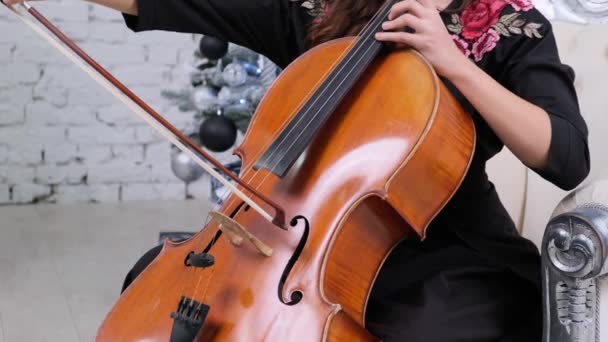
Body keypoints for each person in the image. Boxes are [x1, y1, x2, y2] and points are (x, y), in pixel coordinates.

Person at [4, 0, 590, 340]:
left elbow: (565, 156)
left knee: (428, 330)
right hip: (302, 243)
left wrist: (453, 64)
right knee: (162, 289)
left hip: (446, 251)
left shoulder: (510, 26)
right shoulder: (331, 11)